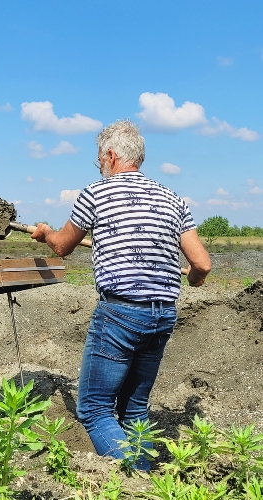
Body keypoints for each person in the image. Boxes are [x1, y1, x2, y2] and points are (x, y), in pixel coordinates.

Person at [31, 119, 211, 470]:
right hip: (163, 314)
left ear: (111, 155)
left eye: (99, 159)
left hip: (120, 314)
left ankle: (138, 478)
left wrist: (45, 233)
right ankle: (155, 481)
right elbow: (201, 264)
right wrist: (195, 281)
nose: (99, 166)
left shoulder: (96, 193)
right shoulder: (173, 199)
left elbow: (62, 247)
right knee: (135, 407)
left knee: (95, 410)